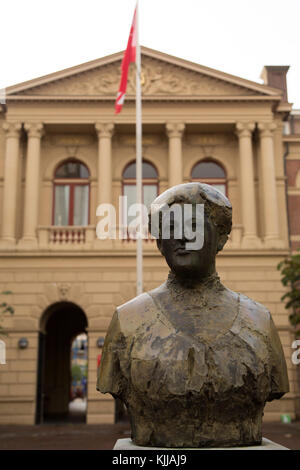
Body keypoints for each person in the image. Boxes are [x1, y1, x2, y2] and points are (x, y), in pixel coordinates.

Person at [97, 182, 289, 448]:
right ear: (160, 243)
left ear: (221, 237)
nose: (183, 237)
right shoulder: (127, 321)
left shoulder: (260, 321)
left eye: (194, 227)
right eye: (171, 229)